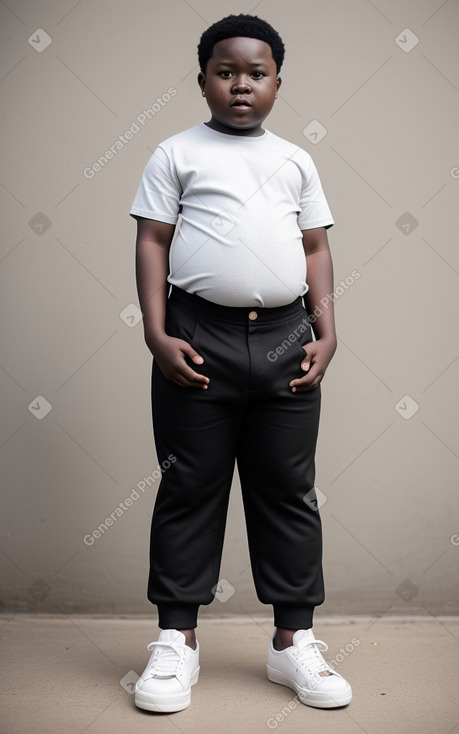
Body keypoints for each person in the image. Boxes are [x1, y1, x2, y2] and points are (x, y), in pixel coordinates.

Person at [129, 13, 352, 714]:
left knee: (288, 489)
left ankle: (293, 642)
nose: (240, 85)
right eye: (225, 72)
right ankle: (175, 642)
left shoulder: (294, 160)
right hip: (197, 336)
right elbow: (153, 242)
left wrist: (328, 330)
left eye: (256, 73)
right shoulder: (174, 154)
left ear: (277, 83)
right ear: (202, 81)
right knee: (188, 487)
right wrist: (157, 334)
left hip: (287, 340)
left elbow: (313, 248)